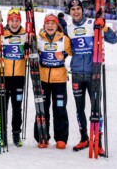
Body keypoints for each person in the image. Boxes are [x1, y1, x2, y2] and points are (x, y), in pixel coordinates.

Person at [66, 0, 117, 155]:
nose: (75, 11)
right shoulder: (67, 29)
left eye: (78, 8)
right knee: (79, 108)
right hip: (76, 73)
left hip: (93, 73)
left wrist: (104, 27)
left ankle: (98, 141)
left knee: (96, 108)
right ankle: (84, 138)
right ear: (69, 11)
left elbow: (114, 40)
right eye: (73, 9)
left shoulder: (92, 23)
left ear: (82, 10)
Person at [34, 13, 72, 149]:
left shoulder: (64, 39)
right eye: (47, 23)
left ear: (57, 25)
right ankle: (42, 136)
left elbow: (73, 51)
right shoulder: (39, 39)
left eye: (53, 23)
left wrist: (65, 54)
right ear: (44, 25)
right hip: (43, 79)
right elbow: (33, 53)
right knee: (42, 109)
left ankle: (61, 138)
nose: (50, 26)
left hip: (59, 79)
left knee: (60, 109)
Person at [1, 9, 27, 147]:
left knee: (17, 108)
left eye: (17, 20)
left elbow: (34, 51)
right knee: (3, 107)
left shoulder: (25, 35)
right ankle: (3, 135)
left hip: (19, 77)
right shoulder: (2, 34)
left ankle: (16, 134)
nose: (14, 23)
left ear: (20, 21)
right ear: (8, 21)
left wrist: (29, 47)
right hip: (3, 77)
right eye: (12, 20)